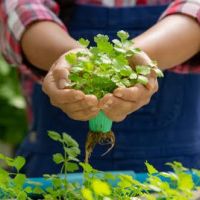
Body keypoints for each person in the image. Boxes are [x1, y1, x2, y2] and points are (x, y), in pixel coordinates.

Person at [0, 0, 199, 178]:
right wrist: (70, 59)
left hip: (174, 166)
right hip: (52, 165)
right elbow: (18, 7)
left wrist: (137, 60)